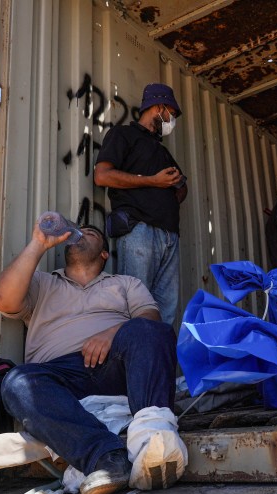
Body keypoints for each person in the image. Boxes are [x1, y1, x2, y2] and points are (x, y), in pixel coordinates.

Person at [0, 222, 179, 494]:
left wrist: (112, 334)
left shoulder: (125, 283)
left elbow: (151, 320)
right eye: (76, 232)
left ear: (104, 254)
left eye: (90, 233)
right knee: (16, 381)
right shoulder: (42, 282)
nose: (79, 234)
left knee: (152, 331)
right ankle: (107, 459)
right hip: (60, 378)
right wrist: (39, 243)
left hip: (115, 367)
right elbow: (1, 300)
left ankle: (154, 443)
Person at [94, 83, 188, 326]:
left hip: (170, 235)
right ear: (158, 108)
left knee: (165, 313)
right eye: (172, 114)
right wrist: (152, 183)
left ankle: (158, 363)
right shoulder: (123, 134)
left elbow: (181, 187)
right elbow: (102, 176)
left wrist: (171, 194)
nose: (172, 120)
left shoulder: (161, 150)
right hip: (139, 231)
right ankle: (134, 361)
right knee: (135, 307)